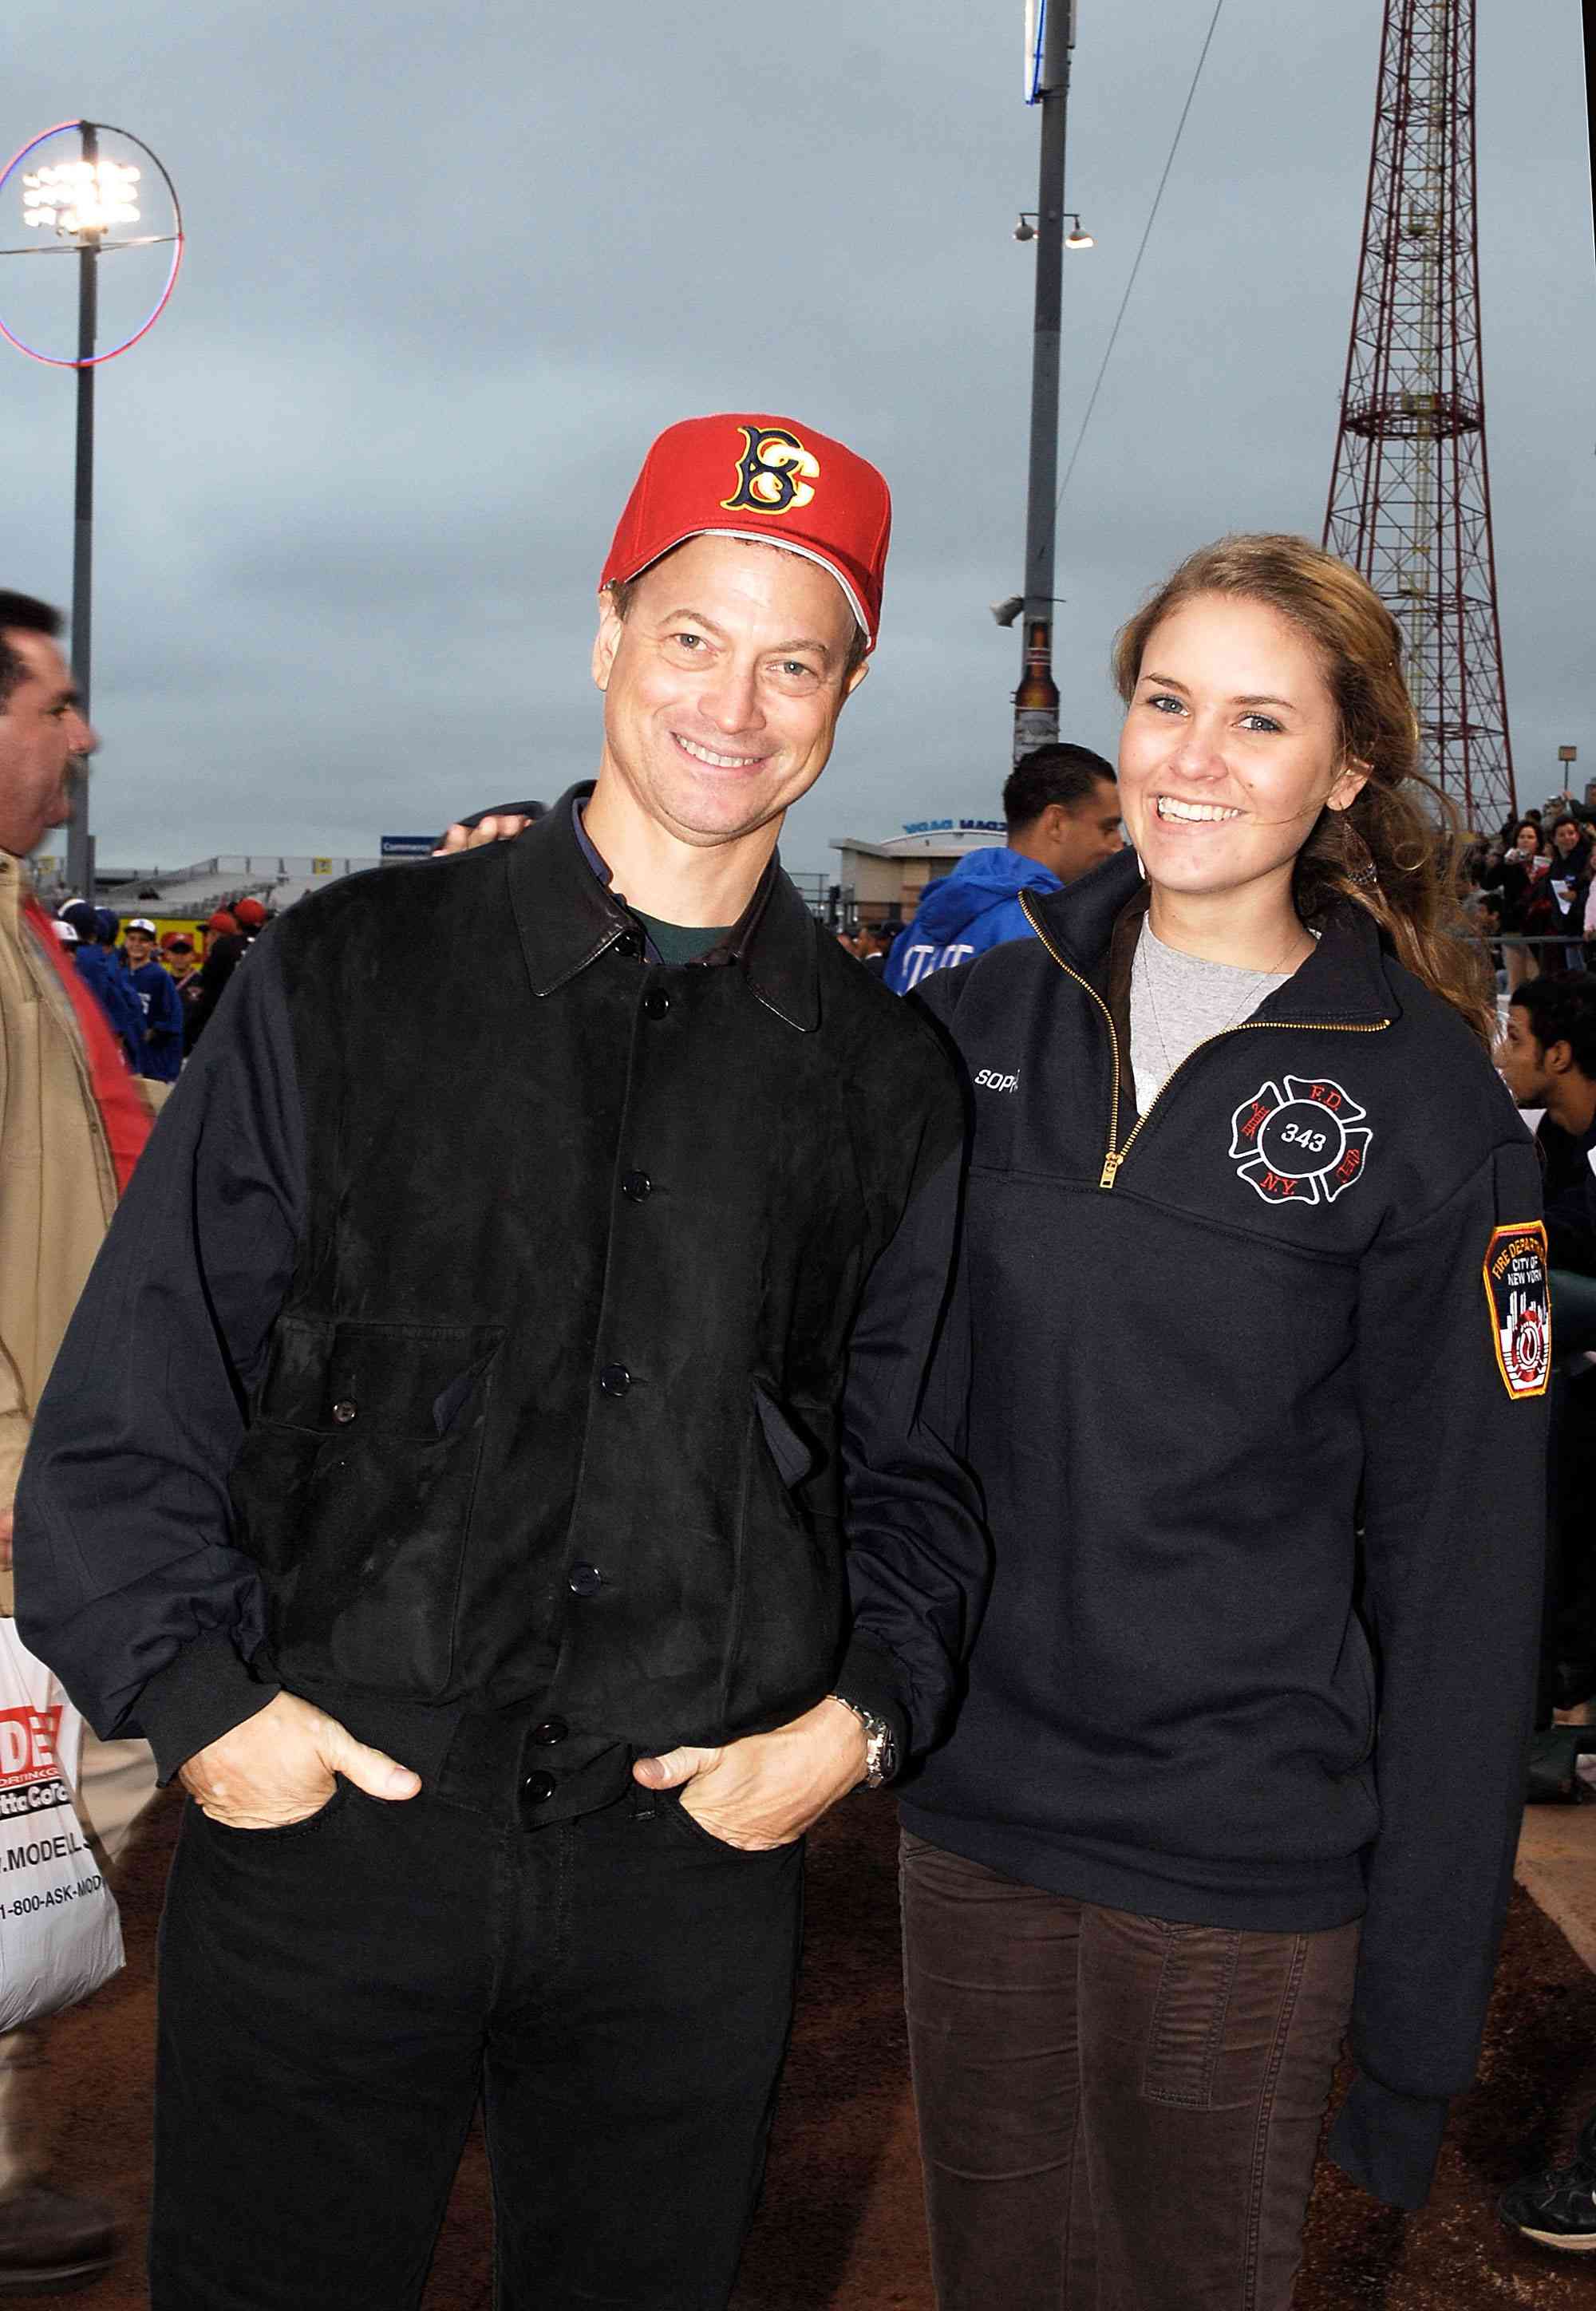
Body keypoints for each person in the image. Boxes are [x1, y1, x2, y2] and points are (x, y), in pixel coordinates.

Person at [15, 413, 986, 2311]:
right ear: (607, 633)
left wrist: (851, 1724)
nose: (737, 697)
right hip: (333, 1822)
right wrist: (208, 1712)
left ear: (847, 691)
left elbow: (925, 1468)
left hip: (688, 1860)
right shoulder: (348, 970)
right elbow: (142, 1393)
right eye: (694, 633)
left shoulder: (881, 1077)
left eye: (796, 656)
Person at [871, 535, 1547, 2310]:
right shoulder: (977, 1020)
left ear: (1342, 773)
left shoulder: (1420, 1099)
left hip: (1236, 1853)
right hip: (972, 1815)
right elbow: (884, 1419)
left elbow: (1465, 1572)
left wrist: (1416, 2020)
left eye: (1259, 721)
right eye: (1165, 702)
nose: (1189, 757)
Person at [0, 589, 160, 2294]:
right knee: (39, 1819)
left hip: (53, 1469)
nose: (84, 734)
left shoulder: (15, 924)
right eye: (52, 703)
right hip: (22, 1498)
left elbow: (89, 1147)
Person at [884, 742, 1121, 993]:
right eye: (1107, 828)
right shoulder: (1047, 932)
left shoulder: (916, 932)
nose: (1118, 845)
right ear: (1056, 823)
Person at [58, 900, 145, 1071]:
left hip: (90, 1047)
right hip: (117, 1048)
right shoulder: (106, 960)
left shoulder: (88, 961)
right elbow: (131, 1005)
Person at [123, 918, 185, 1091]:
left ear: (153, 945)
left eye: (143, 940)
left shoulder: (159, 976)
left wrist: (154, 1031)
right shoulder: (121, 974)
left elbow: (174, 1020)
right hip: (129, 1062)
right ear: (125, 942)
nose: (136, 944)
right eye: (132, 938)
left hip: (155, 1064)